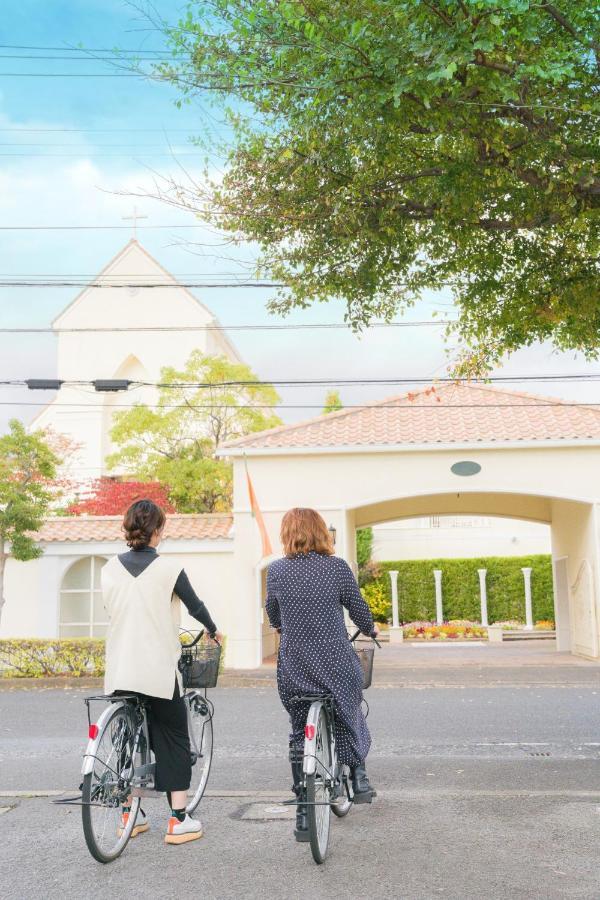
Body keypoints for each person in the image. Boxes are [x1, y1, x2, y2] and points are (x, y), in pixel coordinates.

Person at [102, 498, 223, 845]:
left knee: (125, 734)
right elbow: (195, 605)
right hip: (156, 669)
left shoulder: (108, 568)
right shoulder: (169, 569)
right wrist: (213, 629)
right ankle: (178, 819)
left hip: (121, 667)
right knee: (172, 736)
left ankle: (130, 814)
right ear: (157, 531)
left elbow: (113, 609)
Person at [266, 507, 378, 842]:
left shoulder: (276, 571)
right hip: (334, 660)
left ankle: (303, 811)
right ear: (321, 533)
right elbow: (358, 608)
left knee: (300, 730)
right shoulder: (336, 567)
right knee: (348, 706)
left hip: (295, 664)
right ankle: (358, 776)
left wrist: (283, 624)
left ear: (288, 534)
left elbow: (273, 611)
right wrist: (369, 629)